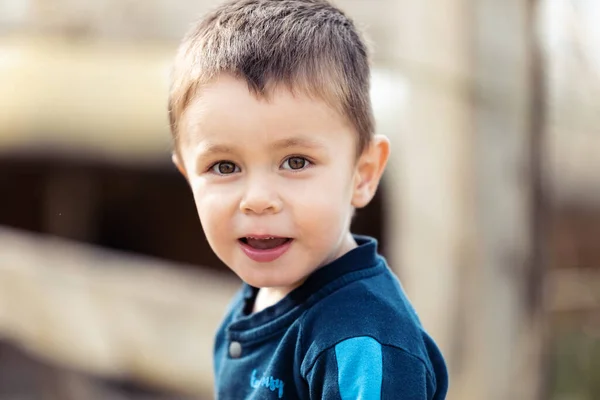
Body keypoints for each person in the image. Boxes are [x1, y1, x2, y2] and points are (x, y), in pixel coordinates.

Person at [168, 0, 448, 398]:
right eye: (225, 167)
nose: (258, 200)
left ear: (363, 173)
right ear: (188, 178)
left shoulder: (359, 343)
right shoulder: (256, 302)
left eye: (295, 161)